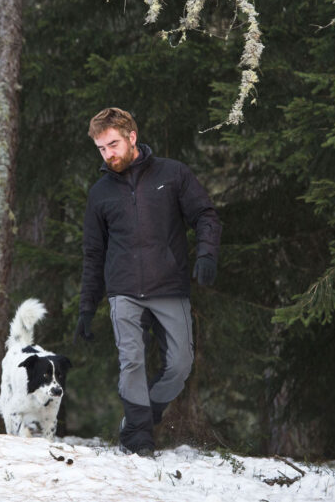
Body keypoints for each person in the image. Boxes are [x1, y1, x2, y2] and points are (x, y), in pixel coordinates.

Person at [73, 107, 221, 456]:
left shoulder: (173, 174)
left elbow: (205, 215)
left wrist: (207, 255)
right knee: (132, 361)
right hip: (123, 290)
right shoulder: (100, 193)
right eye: (101, 149)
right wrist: (86, 307)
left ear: (132, 137)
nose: (108, 155)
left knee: (181, 365)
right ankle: (138, 438)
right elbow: (94, 254)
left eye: (112, 145)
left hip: (169, 285)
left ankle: (145, 413)